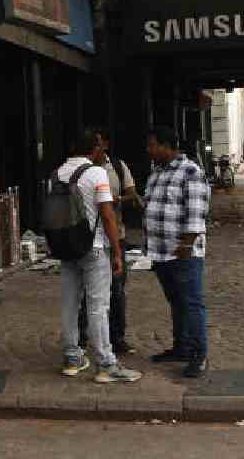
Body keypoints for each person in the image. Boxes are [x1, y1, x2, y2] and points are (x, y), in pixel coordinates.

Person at [56, 129, 142, 384]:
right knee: (98, 306)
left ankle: (73, 358)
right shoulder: (97, 173)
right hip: (93, 249)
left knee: (70, 304)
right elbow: (107, 214)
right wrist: (117, 251)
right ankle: (106, 364)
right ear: (95, 149)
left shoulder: (58, 172)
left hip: (67, 248)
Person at [144, 127, 211, 379]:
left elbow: (196, 214)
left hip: (183, 253)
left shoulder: (191, 172)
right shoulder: (156, 173)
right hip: (161, 253)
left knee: (192, 303)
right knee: (177, 302)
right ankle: (181, 347)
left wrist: (186, 245)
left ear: (168, 145)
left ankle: (199, 354)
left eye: (153, 145)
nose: (149, 150)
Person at [79, 129, 141, 356]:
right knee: (86, 292)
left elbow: (131, 194)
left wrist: (117, 200)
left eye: (98, 143)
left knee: (115, 291)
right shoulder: (83, 171)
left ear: (104, 144)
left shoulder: (116, 166)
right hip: (89, 240)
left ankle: (116, 337)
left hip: (116, 235)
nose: (96, 149)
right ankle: (83, 340)